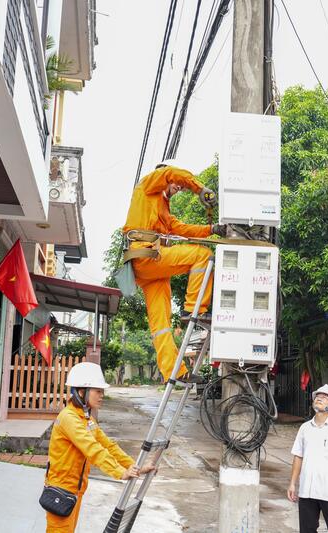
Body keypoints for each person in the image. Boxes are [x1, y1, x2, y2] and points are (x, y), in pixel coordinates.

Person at [122, 160, 226, 384]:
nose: (178, 187)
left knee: (160, 327)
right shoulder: (148, 185)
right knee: (202, 255)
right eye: (175, 184)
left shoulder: (161, 207)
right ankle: (193, 309)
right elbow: (171, 173)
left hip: (149, 271)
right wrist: (199, 188)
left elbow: (180, 229)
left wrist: (212, 229)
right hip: (146, 255)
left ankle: (175, 372)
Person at [45, 362, 156, 532]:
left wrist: (133, 467)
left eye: (102, 391)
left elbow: (108, 446)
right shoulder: (69, 418)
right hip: (61, 489)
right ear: (82, 392)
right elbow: (93, 449)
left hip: (75, 489)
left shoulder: (86, 418)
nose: (102, 395)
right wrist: (119, 472)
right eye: (98, 391)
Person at [287, 384, 328, 533]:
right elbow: (298, 455)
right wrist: (292, 483)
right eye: (317, 396)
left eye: (324, 397)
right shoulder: (304, 428)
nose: (319, 398)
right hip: (307, 491)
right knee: (307, 530)